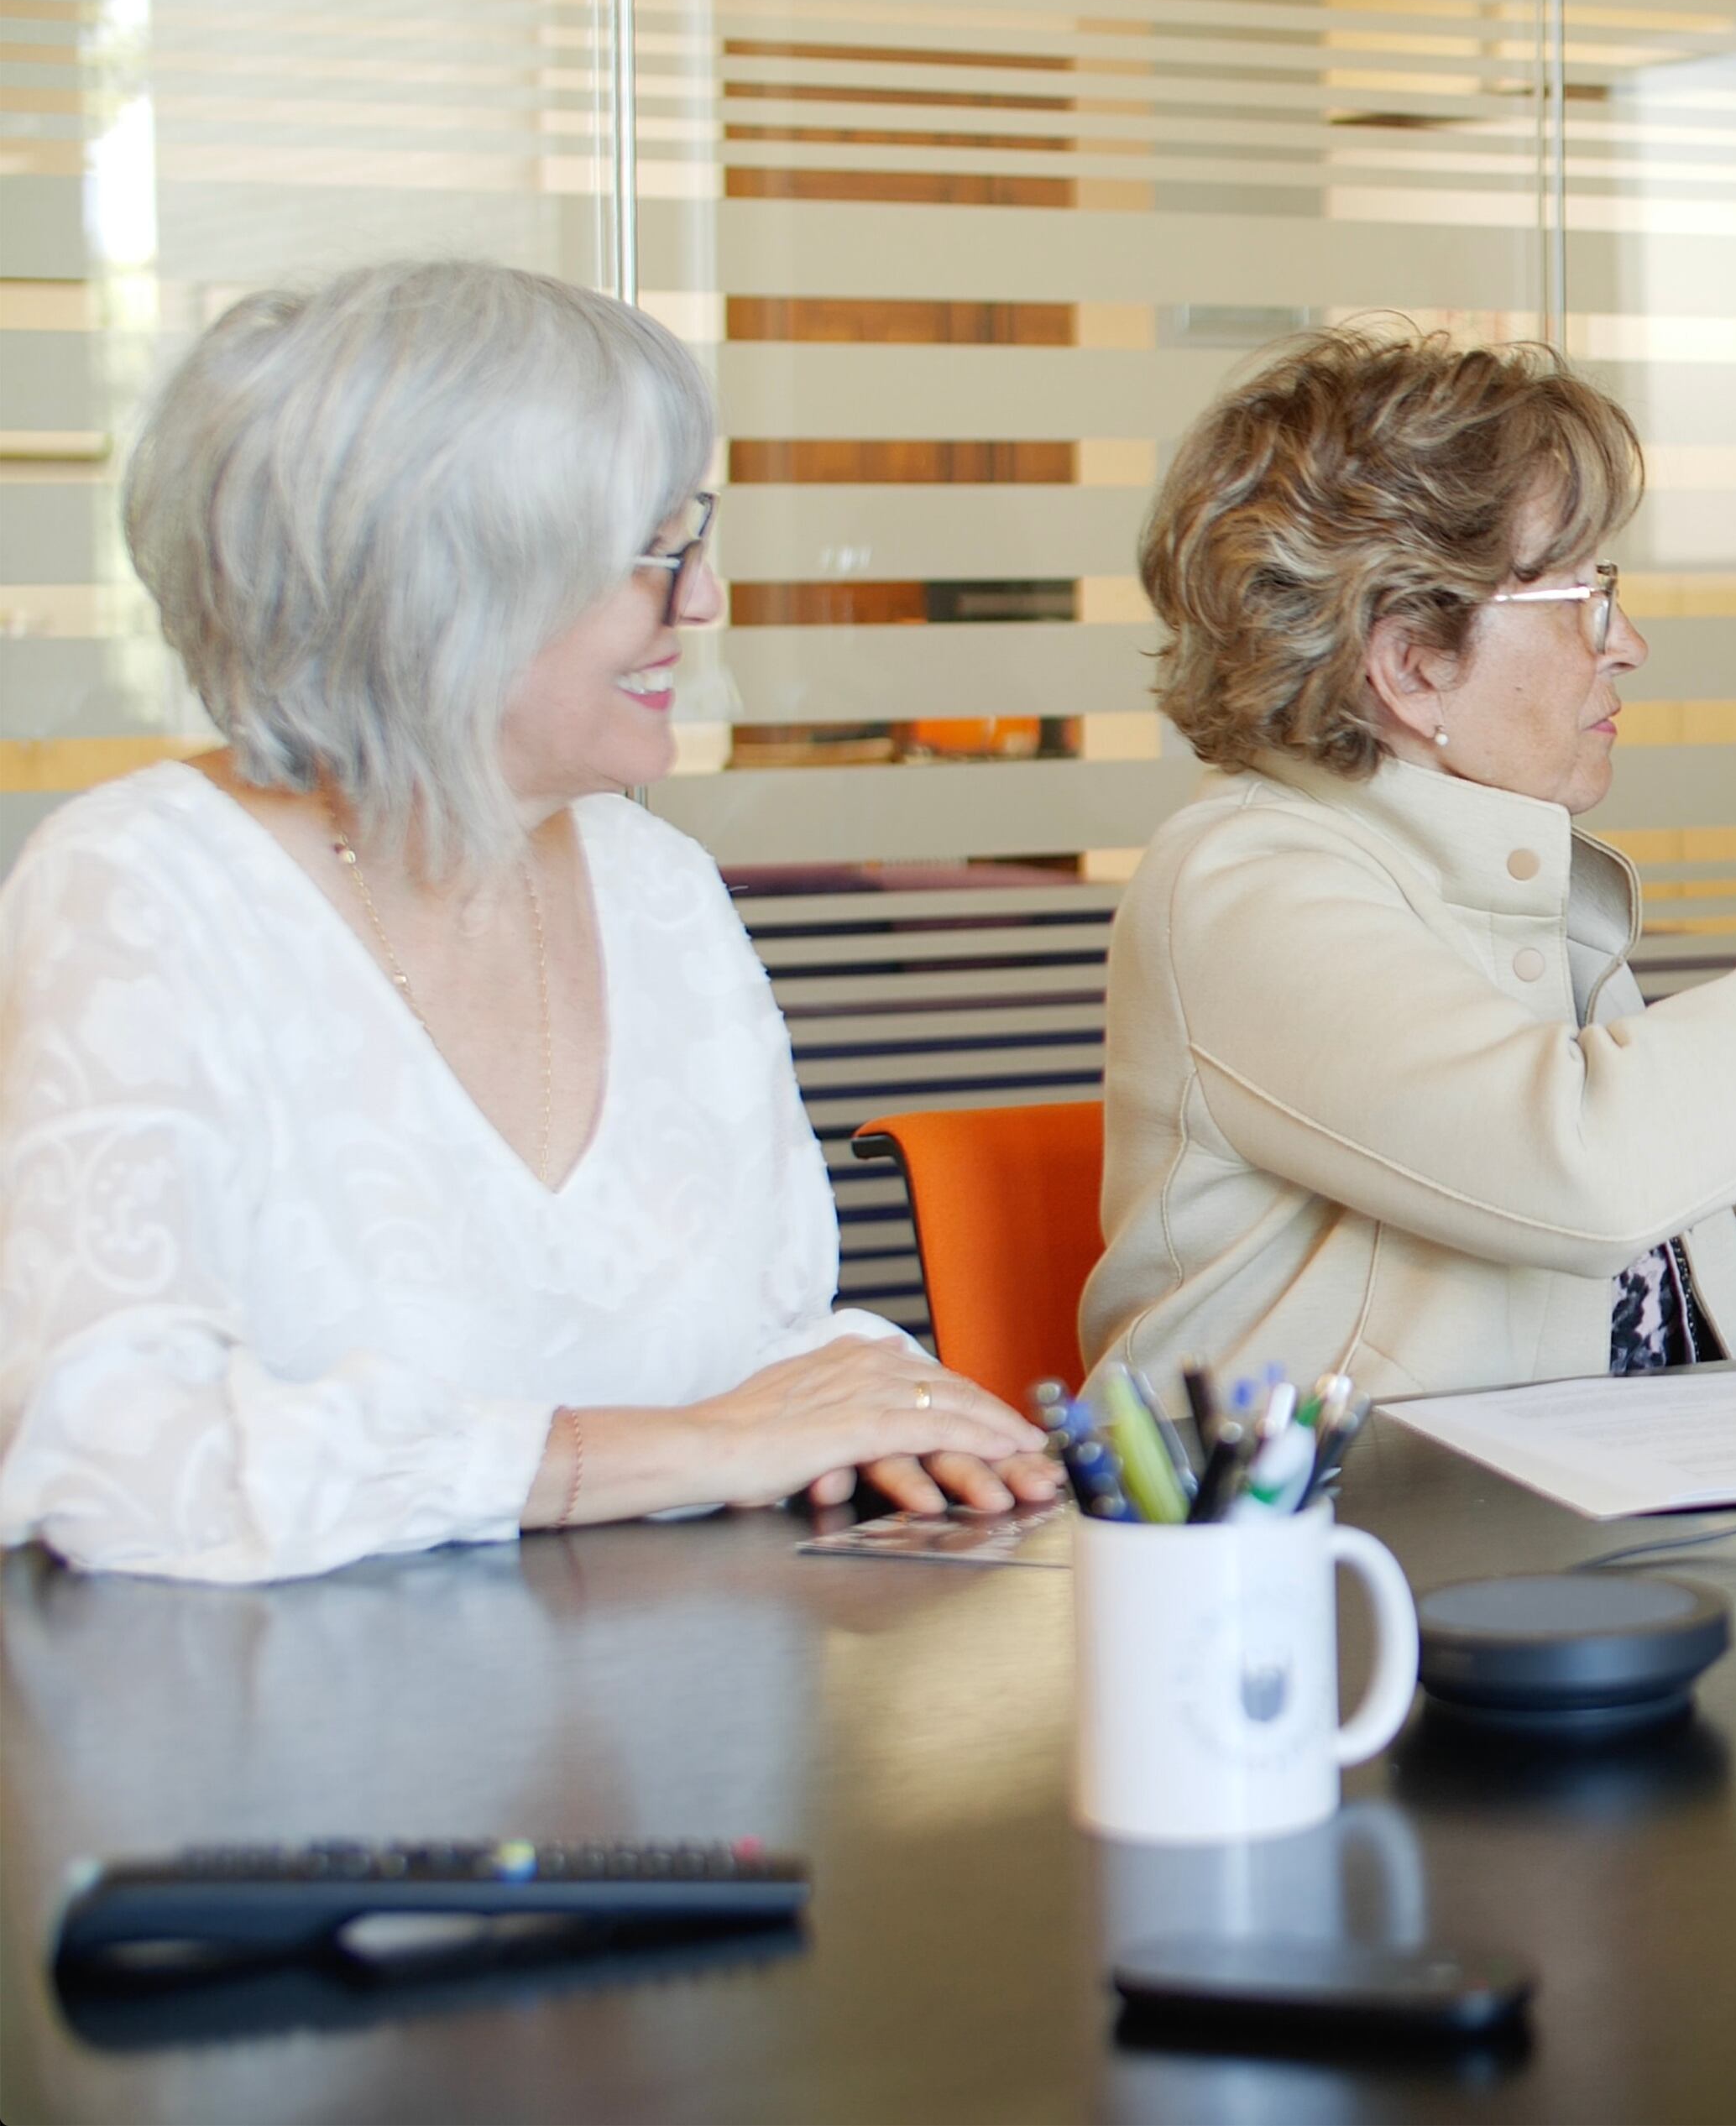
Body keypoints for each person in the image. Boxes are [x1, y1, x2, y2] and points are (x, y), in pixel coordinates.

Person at [0, 259, 1057, 1585]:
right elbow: (114, 1454)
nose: (704, 602)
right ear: (444, 589)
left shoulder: (655, 885)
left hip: (685, 1674)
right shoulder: (140, 884)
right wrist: (661, 1453)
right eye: (656, 557)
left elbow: (754, 1347)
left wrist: (877, 1394)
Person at [1080, 324, 1736, 1398]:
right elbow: (1580, 1166)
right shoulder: (1245, 884)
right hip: (1310, 1507)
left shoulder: (1482, 866)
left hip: (1488, 1486)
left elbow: (1537, 1296)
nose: (1626, 644)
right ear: (1411, 664)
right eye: (1580, 595)